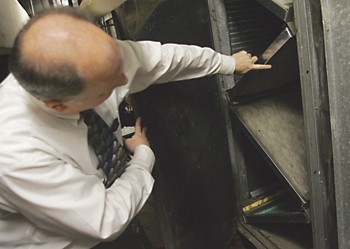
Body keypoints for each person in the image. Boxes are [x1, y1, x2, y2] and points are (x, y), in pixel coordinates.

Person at [0, 7, 271, 249]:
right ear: (59, 106)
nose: (124, 81)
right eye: (109, 88)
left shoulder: (94, 60)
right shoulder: (16, 152)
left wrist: (228, 63)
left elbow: (164, 59)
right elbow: (104, 220)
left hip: (103, 195)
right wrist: (142, 158)